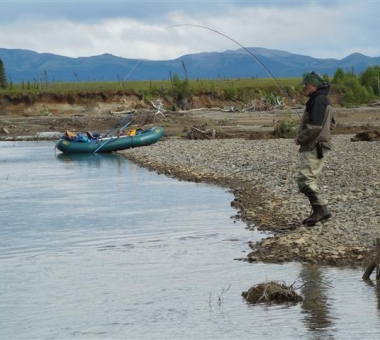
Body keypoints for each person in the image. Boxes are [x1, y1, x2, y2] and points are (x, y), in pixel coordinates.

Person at [295, 71, 335, 226]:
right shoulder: (323, 99)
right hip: (319, 145)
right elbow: (331, 124)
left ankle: (322, 210)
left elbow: (315, 126)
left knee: (305, 180)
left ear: (314, 85)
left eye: (306, 84)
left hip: (315, 146)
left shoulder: (317, 100)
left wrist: (301, 138)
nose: (304, 87)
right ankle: (317, 211)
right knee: (308, 179)